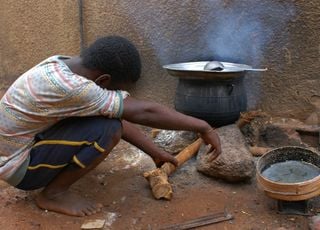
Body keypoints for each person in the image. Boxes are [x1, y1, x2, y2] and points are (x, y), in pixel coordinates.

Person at [0, 36, 221, 217]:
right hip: (19, 168)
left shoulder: (60, 65)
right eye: (116, 91)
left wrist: (155, 153)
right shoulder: (77, 89)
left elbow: (114, 113)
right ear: (103, 80)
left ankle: (53, 180)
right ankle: (53, 194)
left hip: (19, 147)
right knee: (108, 130)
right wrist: (204, 127)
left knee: (107, 120)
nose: (119, 97)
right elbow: (144, 112)